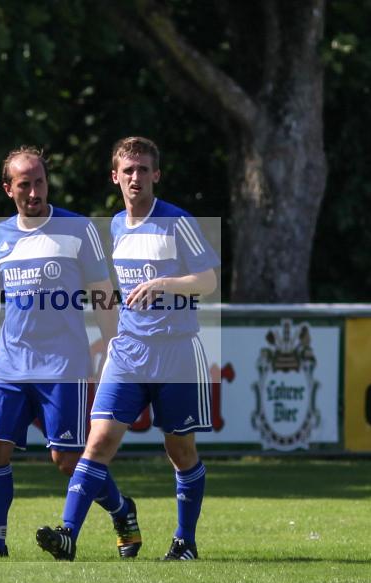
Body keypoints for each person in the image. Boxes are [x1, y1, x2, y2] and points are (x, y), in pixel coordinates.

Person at [0, 147, 139, 558]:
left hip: (63, 365)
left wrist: (115, 350)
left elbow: (104, 295)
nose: (34, 191)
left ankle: (122, 511)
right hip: (10, 363)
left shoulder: (78, 229)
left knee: (68, 459)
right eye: (24, 184)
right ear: (8, 189)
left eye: (39, 182)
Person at [37, 136, 220, 561]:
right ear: (115, 176)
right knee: (97, 442)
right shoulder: (116, 225)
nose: (135, 177)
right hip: (129, 352)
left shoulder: (177, 222)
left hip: (175, 352)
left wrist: (163, 284)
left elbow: (208, 281)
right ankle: (68, 534)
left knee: (181, 450)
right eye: (128, 170)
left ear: (156, 175)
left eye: (143, 169)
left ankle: (184, 542)